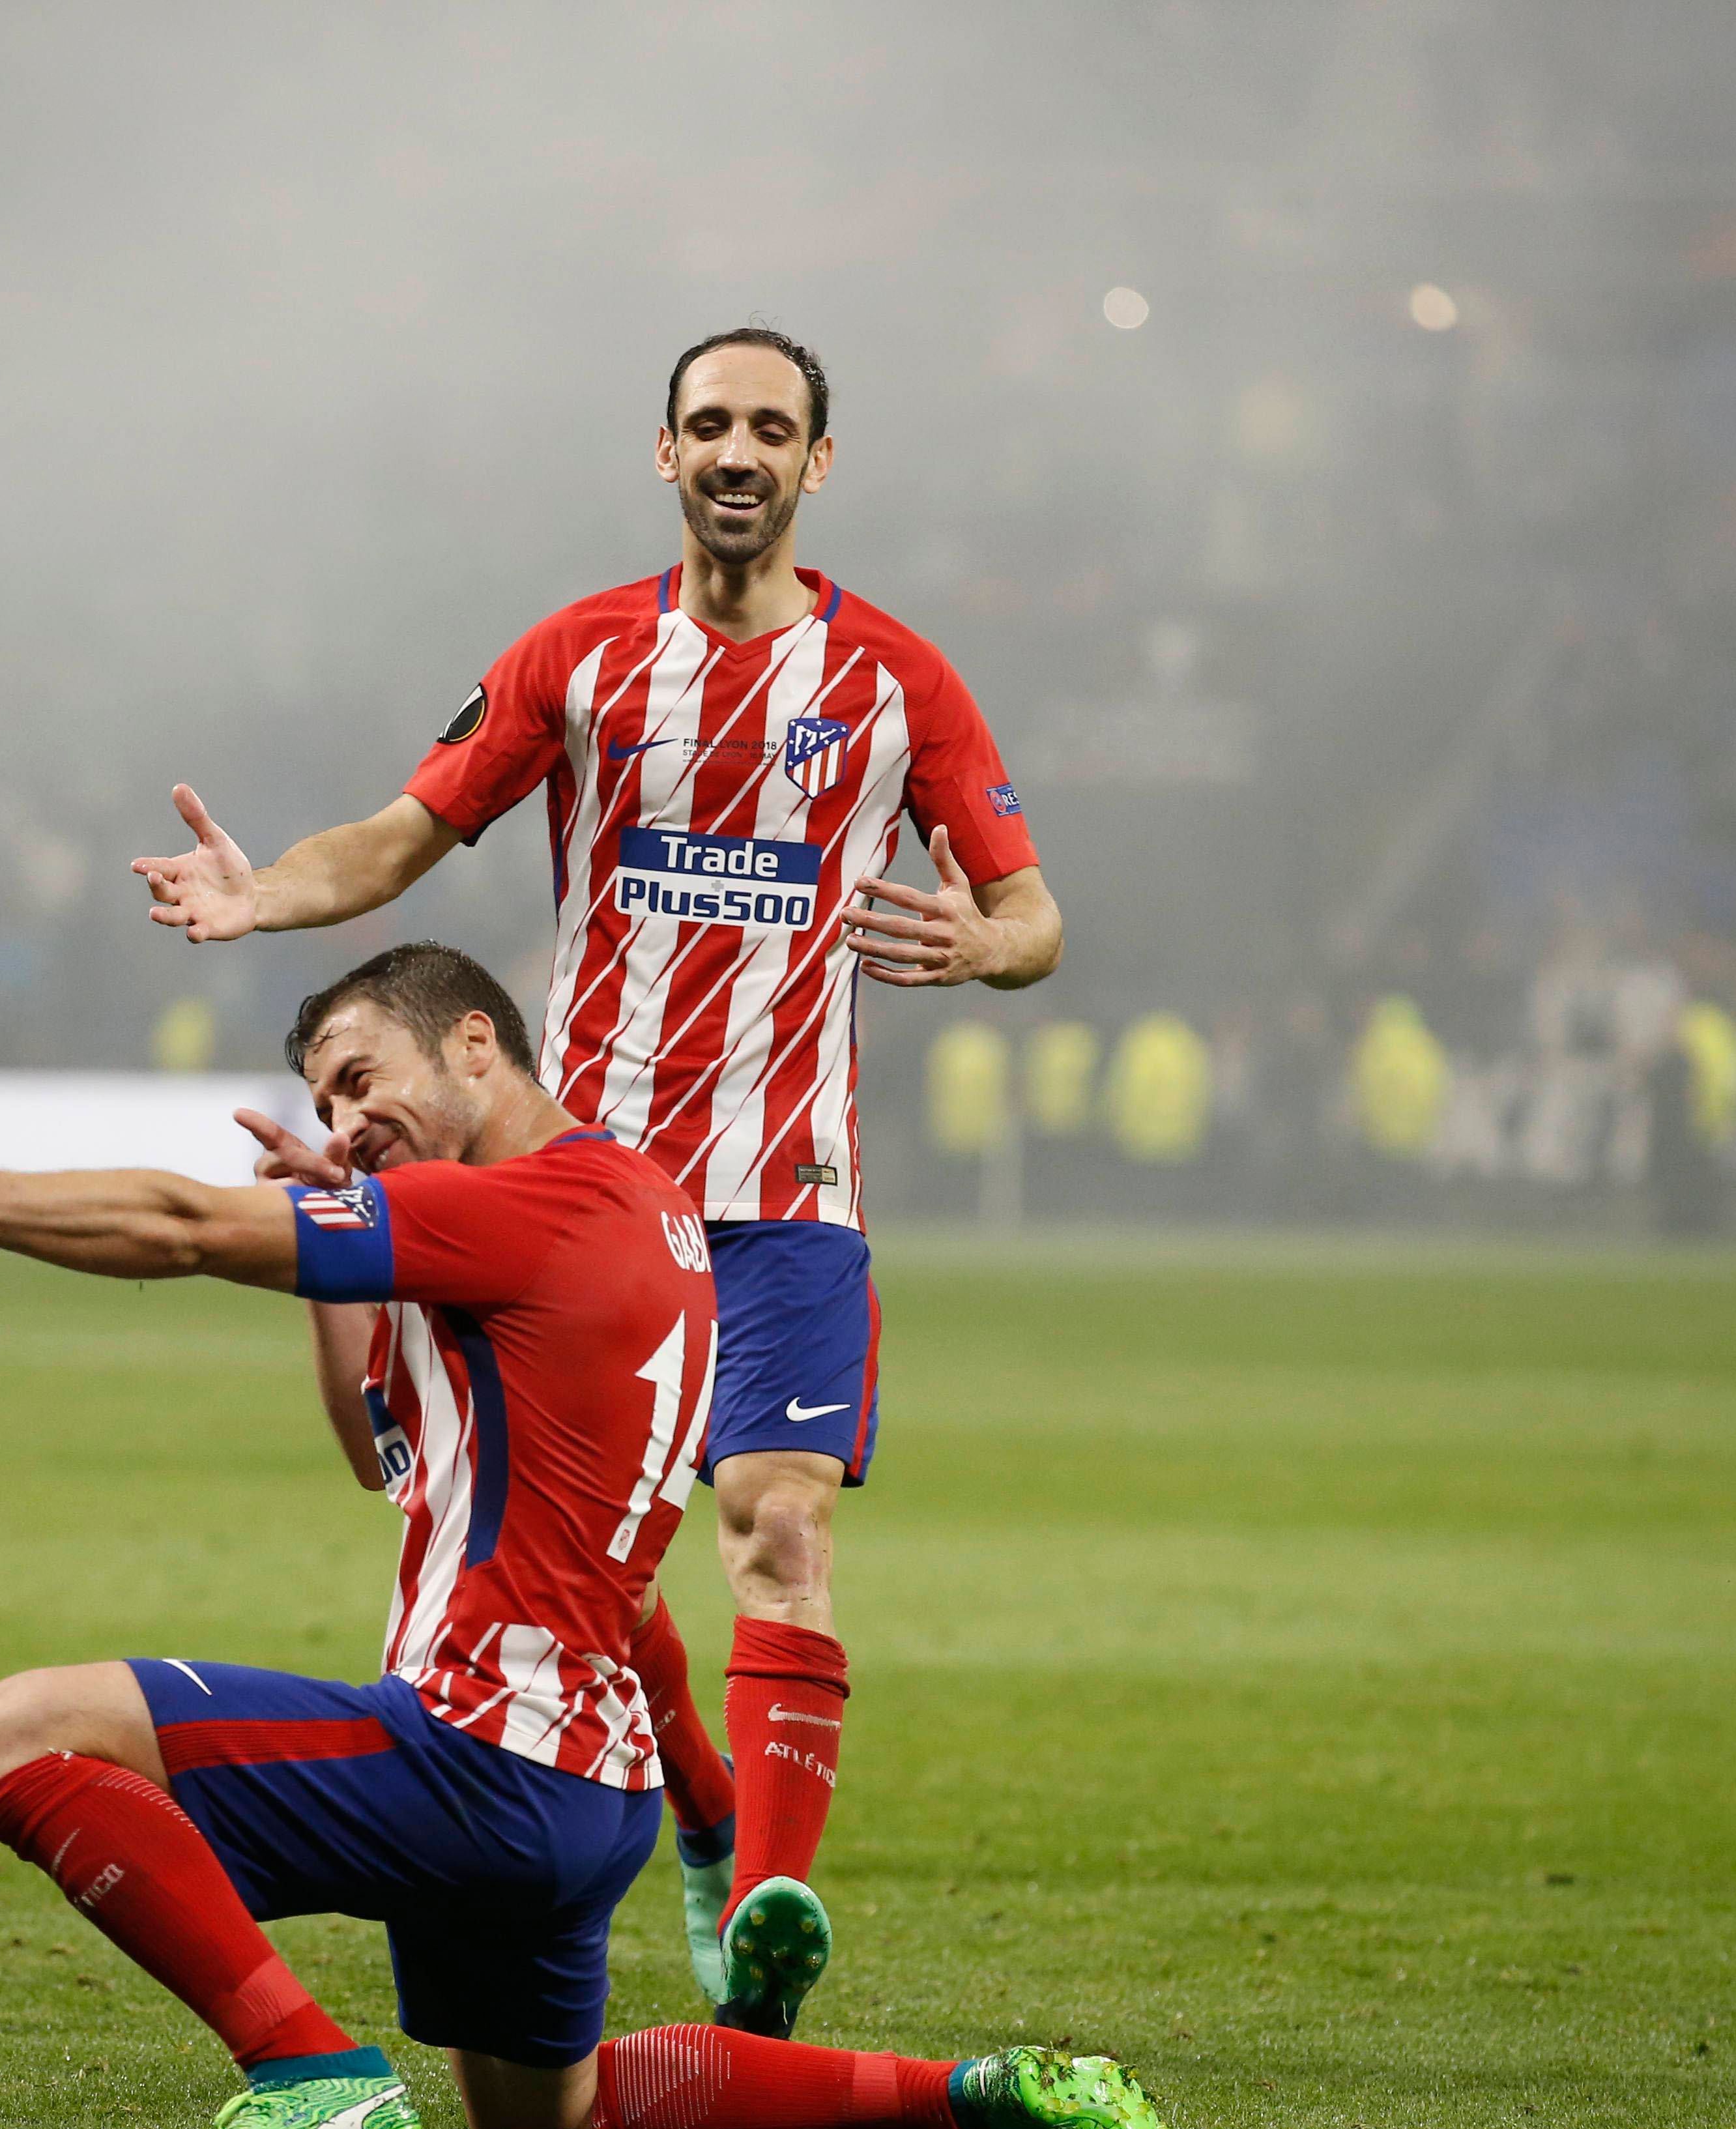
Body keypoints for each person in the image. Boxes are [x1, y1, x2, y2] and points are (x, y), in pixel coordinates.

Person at [0, 944, 1160, 2129]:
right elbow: (380, 1458)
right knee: (553, 2109)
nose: (346, 1118)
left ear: (477, 1044)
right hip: (583, 1789)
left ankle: (309, 2079)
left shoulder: (533, 1207)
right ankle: (962, 2096)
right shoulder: (631, 1209)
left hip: (482, 1755)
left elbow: (184, 1230)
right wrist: (346, 1248)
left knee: (17, 1733)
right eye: (322, 1103)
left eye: (362, 1077)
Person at [128, 328, 1065, 2035]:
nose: (738, 450)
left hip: (788, 1194)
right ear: (663, 452)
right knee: (588, 1582)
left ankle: (770, 1900)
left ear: (816, 465)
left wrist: (992, 945)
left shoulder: (900, 686)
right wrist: (265, 897)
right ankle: (704, 1819)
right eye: (710, 422)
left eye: (771, 428)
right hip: (595, 1205)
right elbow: (401, 838)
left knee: (778, 1524)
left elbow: (1032, 908)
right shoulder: (578, 658)